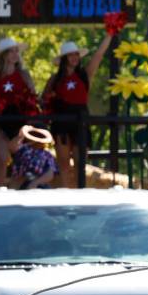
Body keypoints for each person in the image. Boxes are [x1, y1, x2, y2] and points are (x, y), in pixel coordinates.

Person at [41, 34, 113, 188]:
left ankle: (81, 194)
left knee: (80, 163)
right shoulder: (54, 79)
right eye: (70, 55)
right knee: (64, 164)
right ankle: (66, 195)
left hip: (80, 120)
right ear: (63, 58)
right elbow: (43, 101)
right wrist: (51, 98)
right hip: (61, 123)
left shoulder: (84, 75)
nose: (74, 58)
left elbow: (99, 55)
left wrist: (109, 35)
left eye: (76, 54)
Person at [0, 38, 37, 187]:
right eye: (12, 51)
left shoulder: (24, 75)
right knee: (2, 159)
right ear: (4, 55)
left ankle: (14, 194)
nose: (16, 54)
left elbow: (33, 96)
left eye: (17, 51)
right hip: (1, 123)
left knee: (22, 162)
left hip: (20, 123)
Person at [9, 125, 59, 190]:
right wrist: (21, 135)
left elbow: (50, 174)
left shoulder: (47, 155)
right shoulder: (23, 149)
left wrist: (35, 183)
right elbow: (12, 147)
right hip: (19, 183)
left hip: (38, 184)